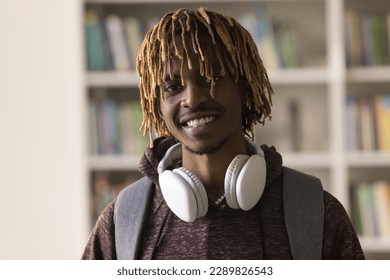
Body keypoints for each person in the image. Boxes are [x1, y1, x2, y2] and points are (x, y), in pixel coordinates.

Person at [82, 7, 365, 260]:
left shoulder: (315, 212)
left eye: (210, 78)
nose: (192, 100)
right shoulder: (124, 221)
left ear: (243, 88)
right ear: (157, 105)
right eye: (172, 87)